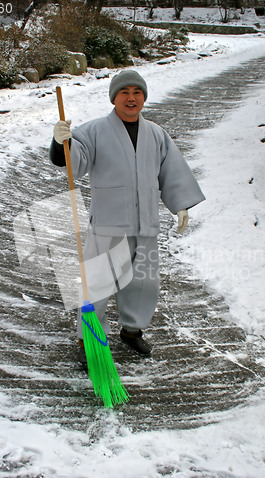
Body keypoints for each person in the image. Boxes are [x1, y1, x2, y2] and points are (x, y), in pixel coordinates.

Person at [50, 69, 205, 367]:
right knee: (97, 284)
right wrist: (62, 143)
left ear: (143, 97)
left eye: (137, 92)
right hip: (109, 224)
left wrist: (181, 204)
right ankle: (90, 339)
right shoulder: (94, 131)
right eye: (125, 92)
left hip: (145, 224)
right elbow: (73, 162)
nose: (131, 98)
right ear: (114, 98)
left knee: (144, 283)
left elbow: (171, 172)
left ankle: (131, 330)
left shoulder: (157, 134)